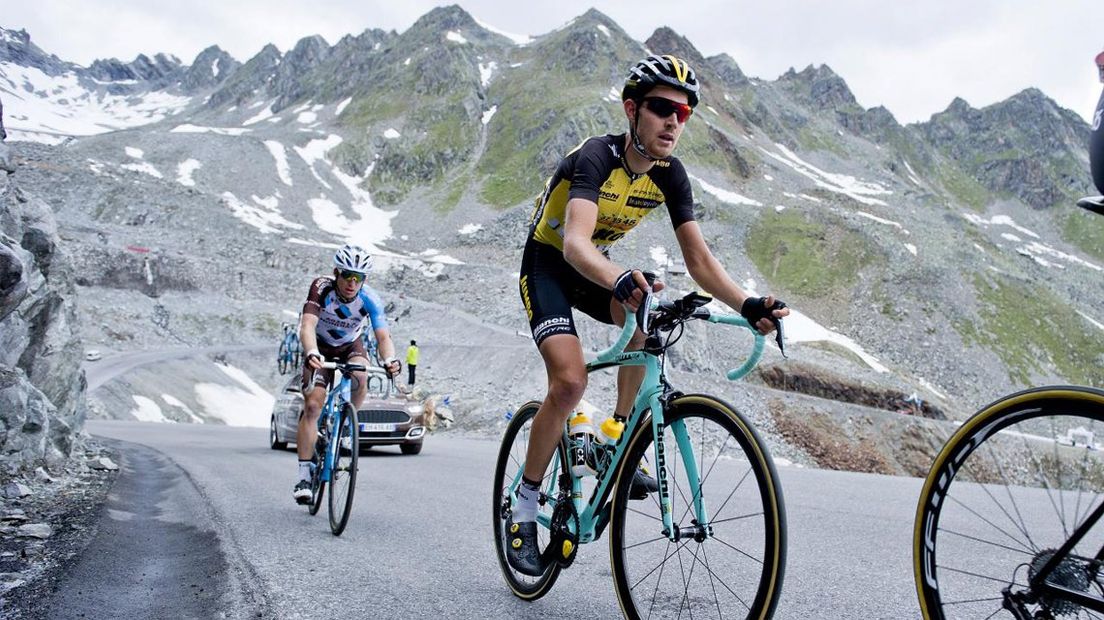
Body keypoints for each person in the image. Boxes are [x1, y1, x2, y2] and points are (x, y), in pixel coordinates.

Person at [506, 54, 789, 576]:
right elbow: (573, 243)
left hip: (595, 268)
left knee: (650, 314)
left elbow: (699, 261)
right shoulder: (597, 157)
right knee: (567, 385)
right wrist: (618, 278)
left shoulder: (670, 175)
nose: (673, 123)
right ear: (632, 109)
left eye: (683, 114)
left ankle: (614, 434)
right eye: (662, 108)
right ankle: (523, 505)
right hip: (550, 264)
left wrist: (748, 306)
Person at [293, 244, 401, 504]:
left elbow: (383, 336)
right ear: (336, 273)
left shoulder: (370, 298)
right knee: (313, 406)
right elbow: (307, 325)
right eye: (347, 276)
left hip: (350, 345)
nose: (353, 283)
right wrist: (311, 352)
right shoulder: (321, 288)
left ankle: (345, 428)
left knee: (361, 376)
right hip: (319, 346)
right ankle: (304, 475)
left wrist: (389, 359)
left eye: (359, 278)